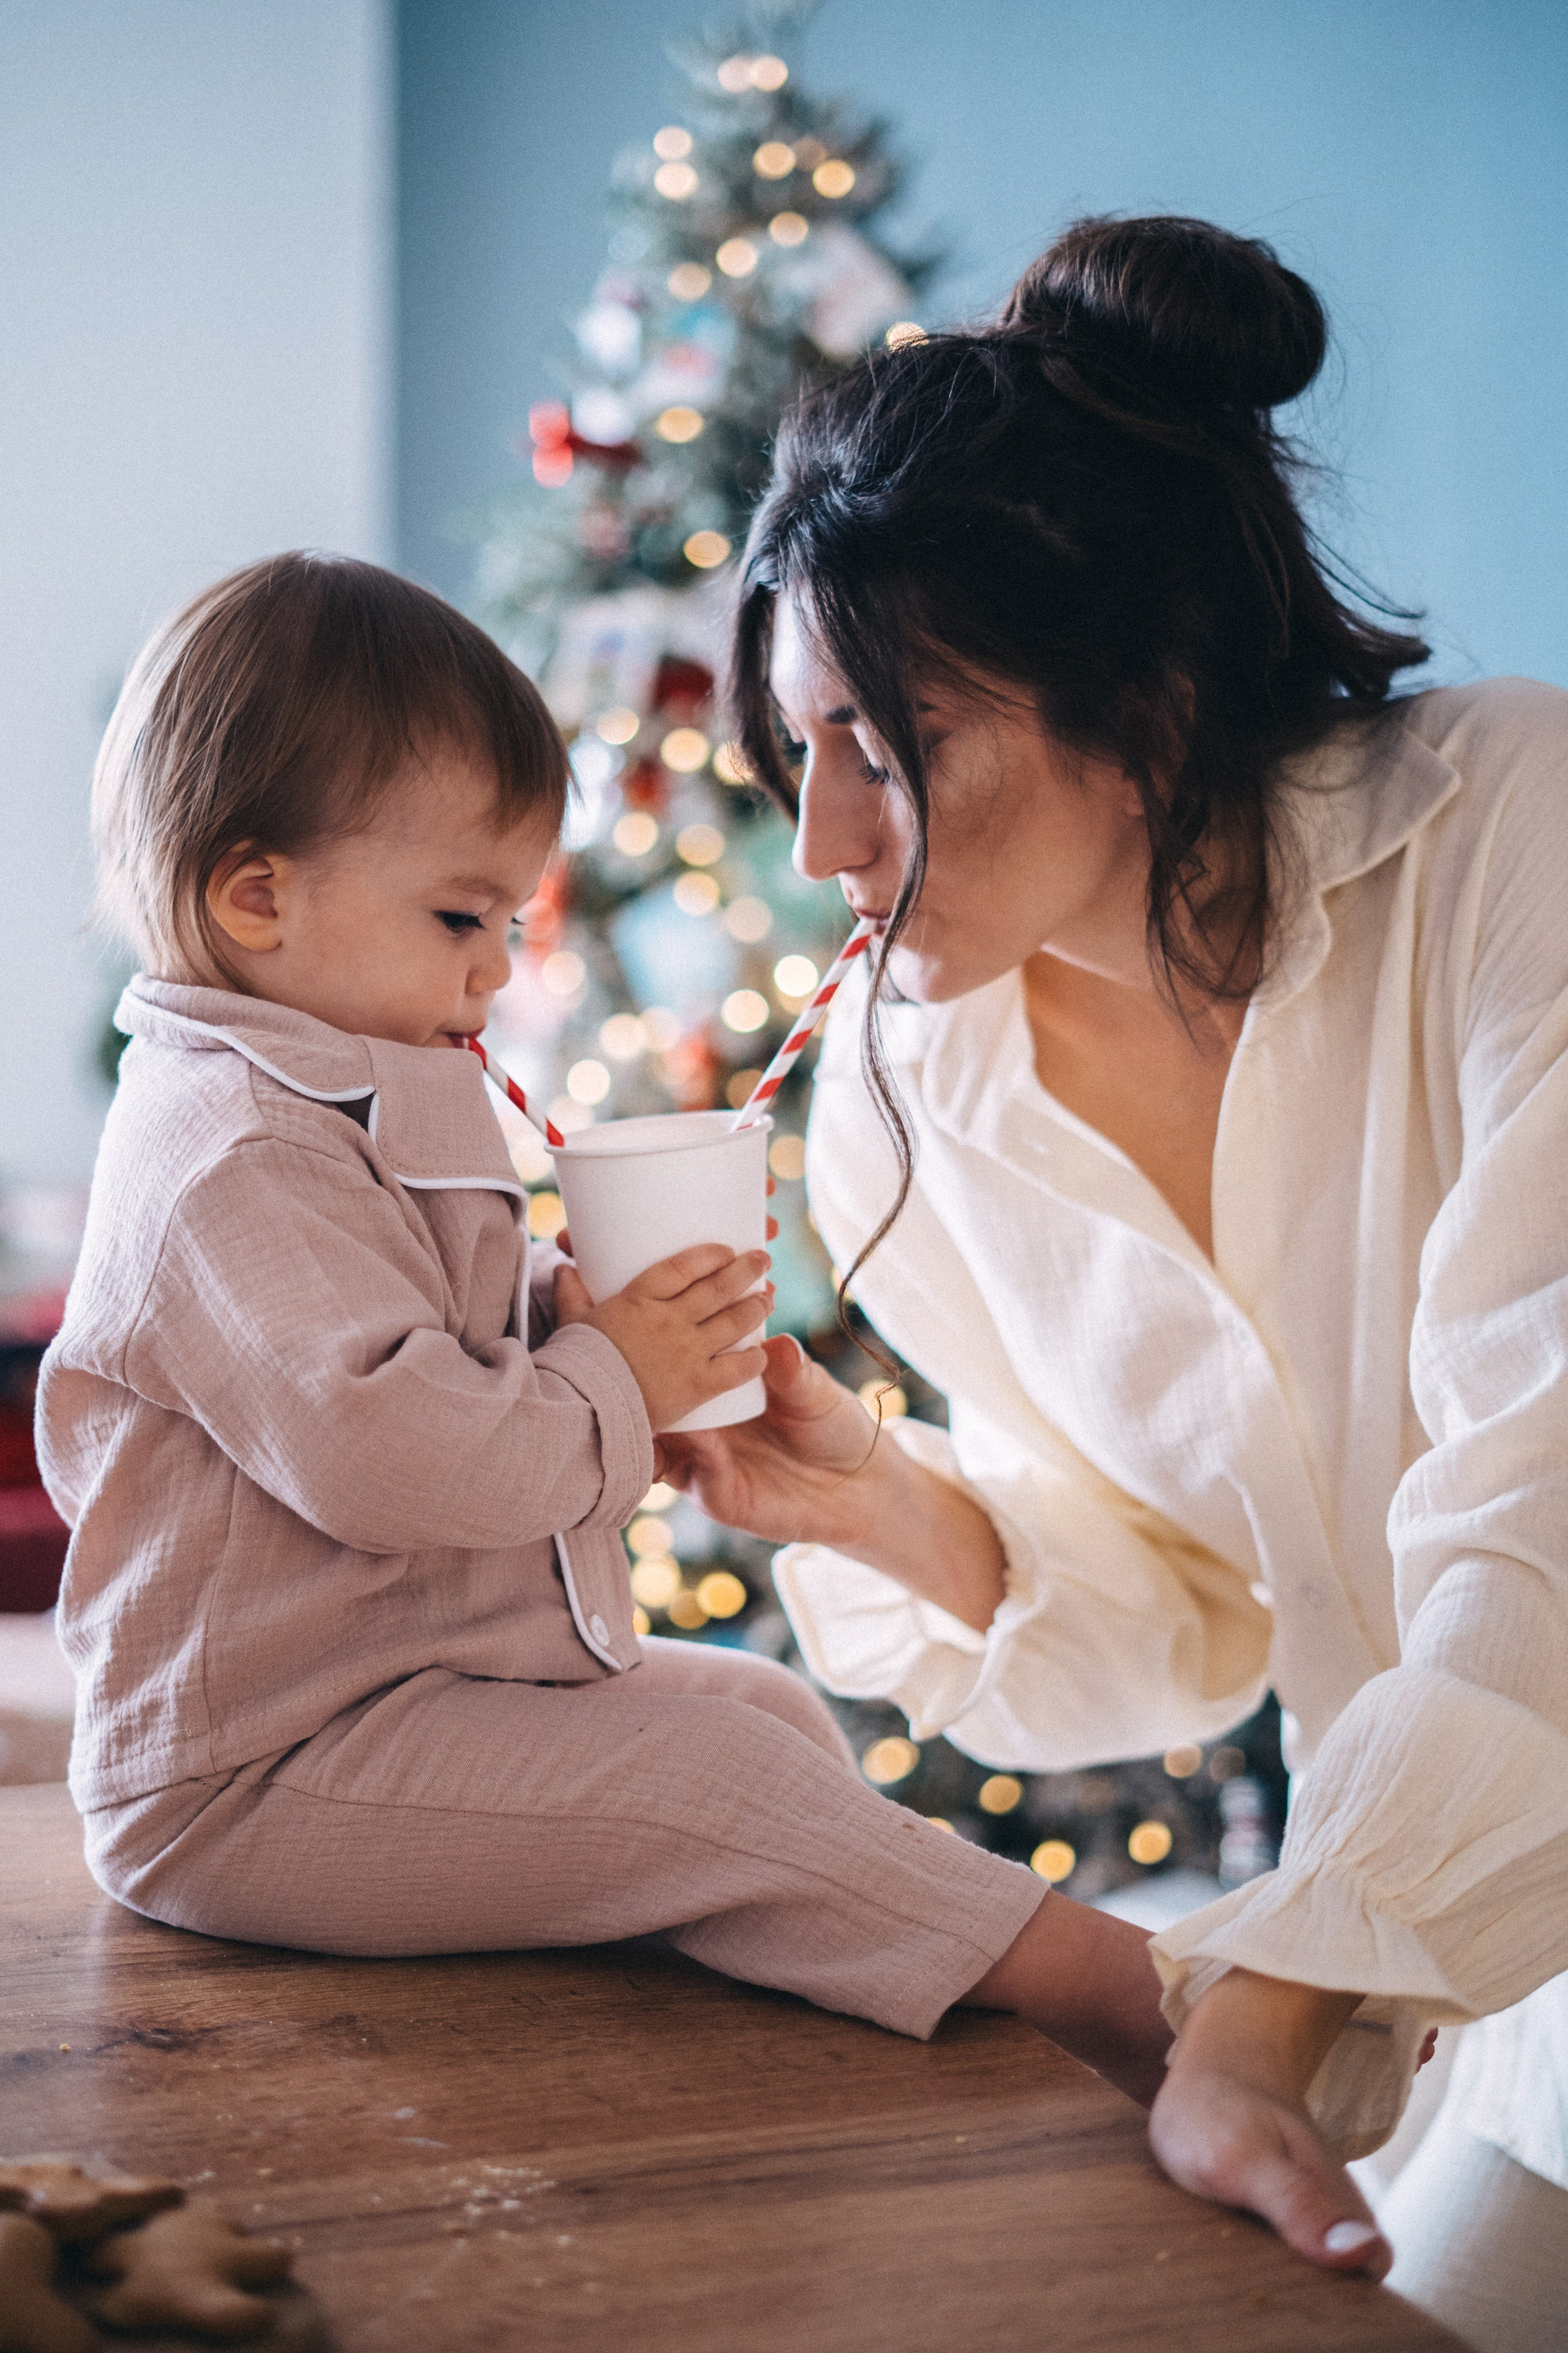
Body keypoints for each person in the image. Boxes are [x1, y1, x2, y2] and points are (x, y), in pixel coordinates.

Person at [663, 217, 1568, 2345]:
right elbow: (1191, 1618)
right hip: (1463, 1946)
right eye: (799, 752)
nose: (822, 846)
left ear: (1145, 701)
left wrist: (1251, 2021)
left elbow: (1541, 1527)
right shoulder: (913, 1091)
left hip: (1420, 1930)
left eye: (890, 748)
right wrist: (865, 1494)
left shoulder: (1508, 832)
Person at [38, 548, 1180, 2132]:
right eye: (460, 915)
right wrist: (608, 1378)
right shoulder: (231, 1152)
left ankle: (833, 2005)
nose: (498, 970)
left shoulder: (334, 1097)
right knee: (722, 1786)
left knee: (764, 1720)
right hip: (251, 1774)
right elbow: (390, 1450)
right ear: (257, 895)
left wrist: (563, 1324)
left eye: (513, 918)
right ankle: (1114, 1986)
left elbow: (411, 1350)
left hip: (404, 1692)